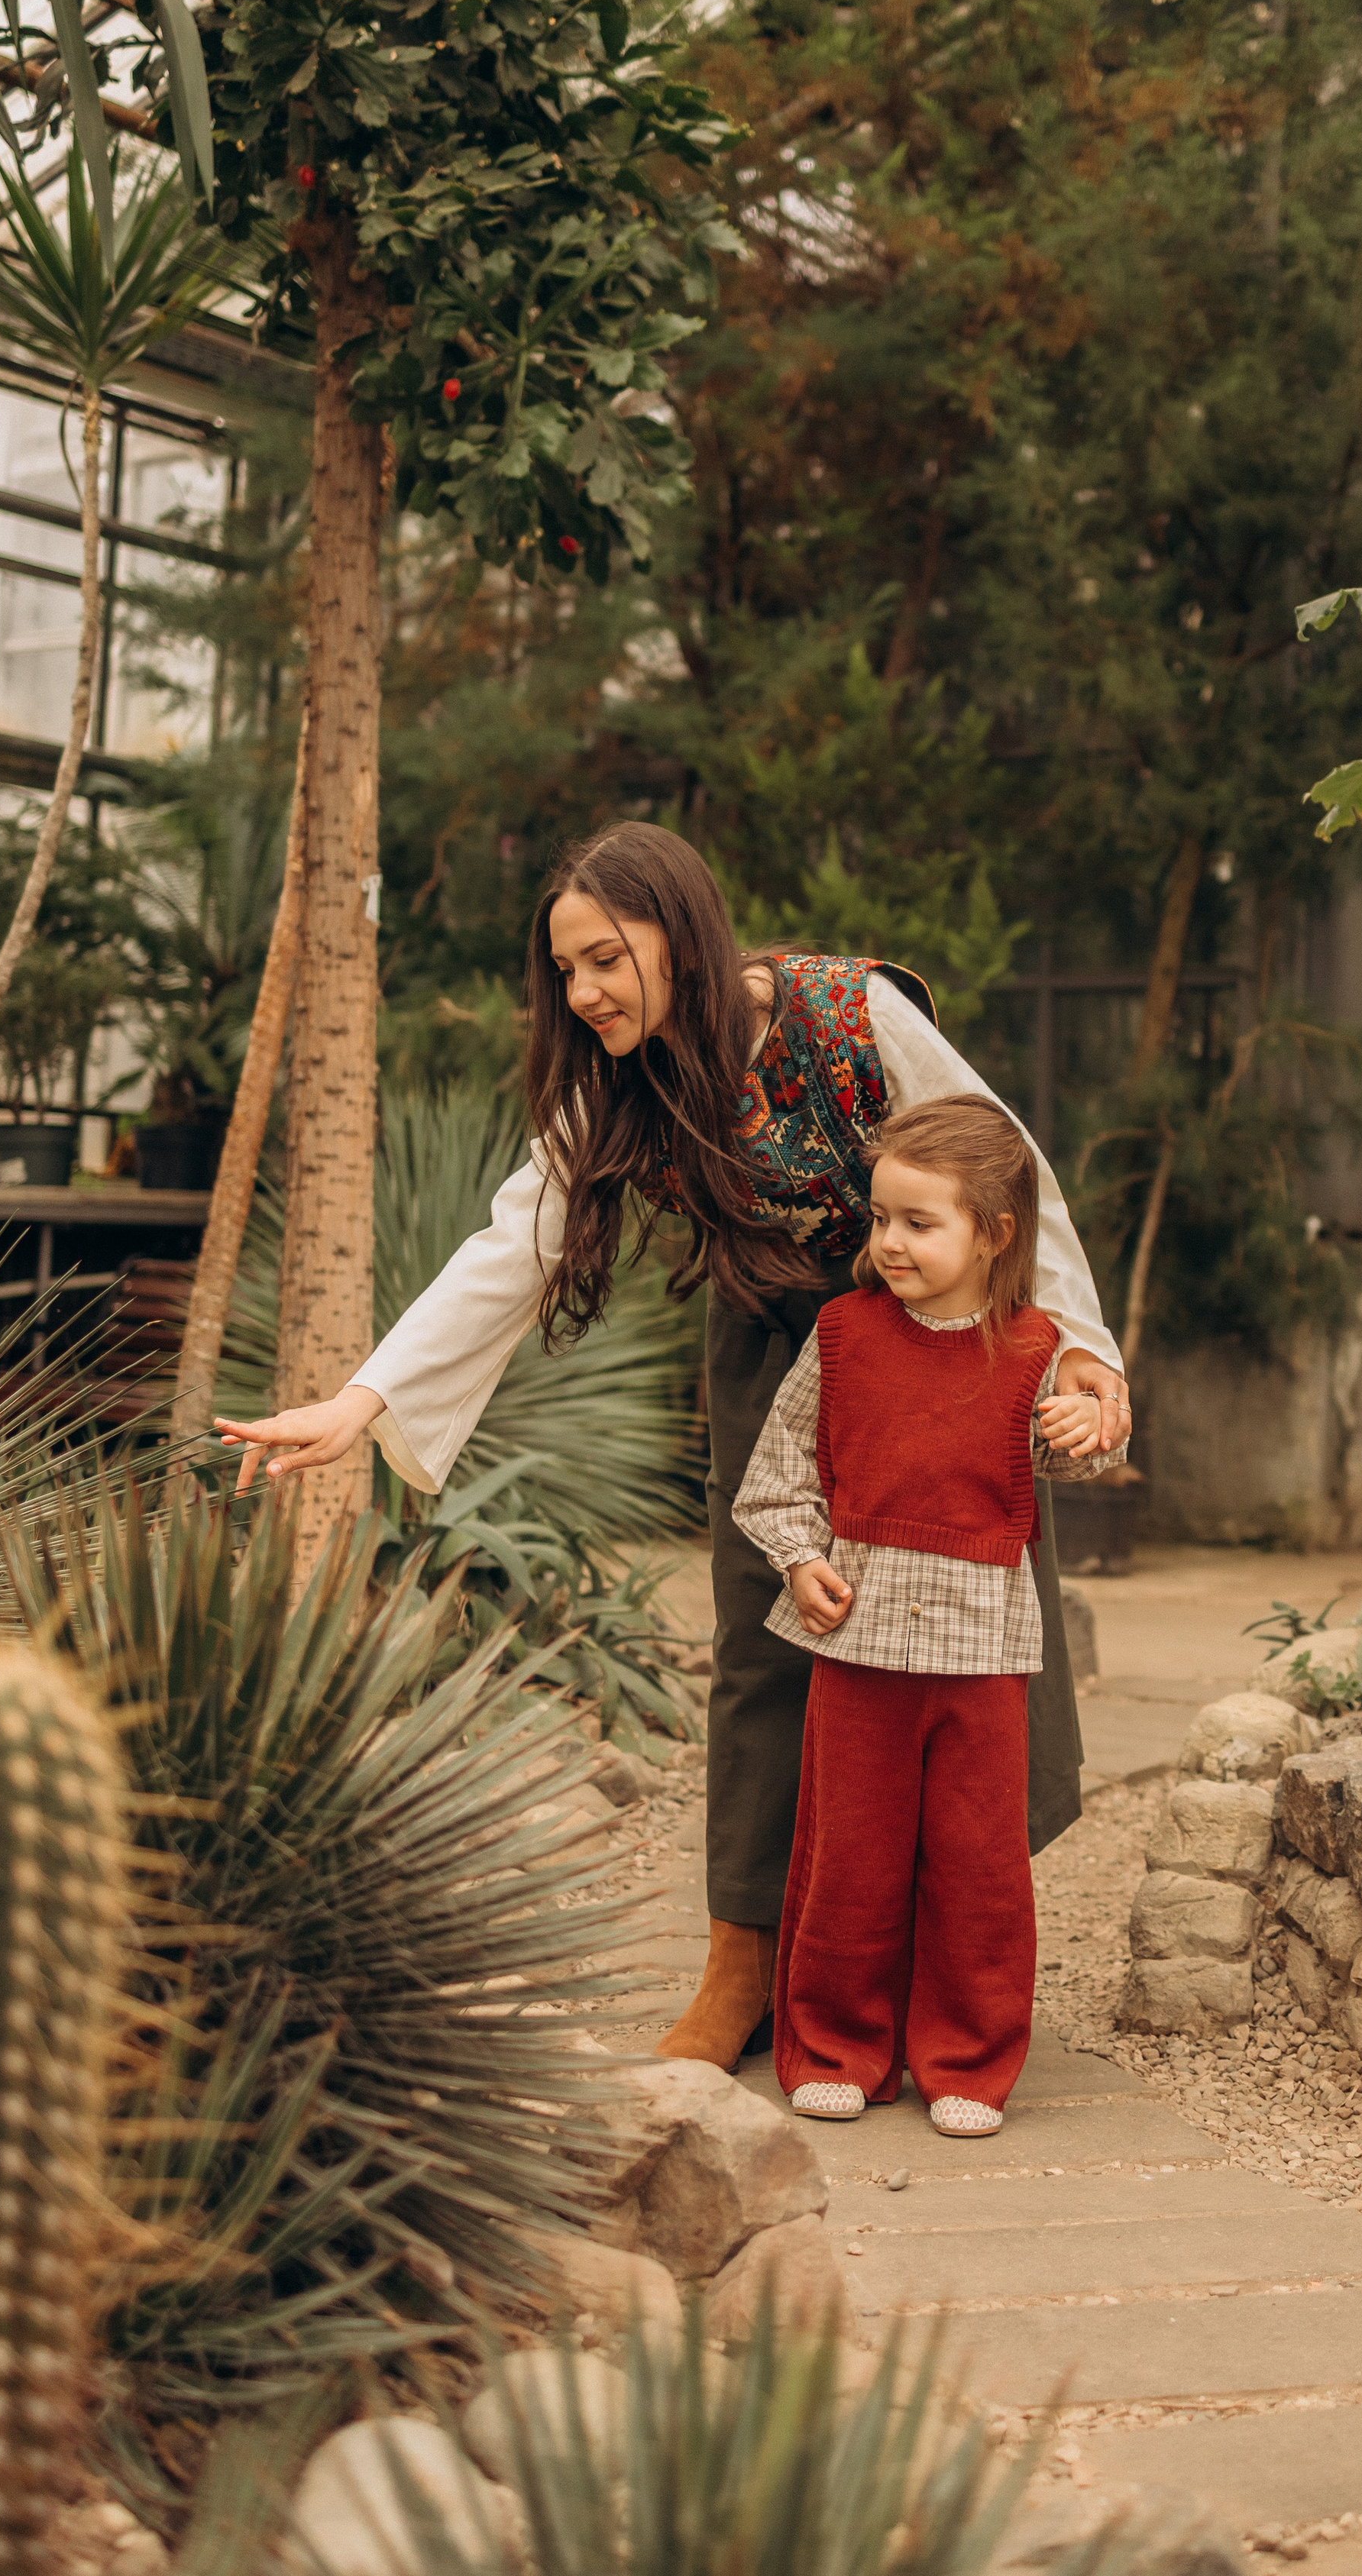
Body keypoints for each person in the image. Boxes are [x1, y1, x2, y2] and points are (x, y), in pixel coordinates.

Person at [214, 821, 1131, 2072]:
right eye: (568, 972)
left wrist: (1079, 1344)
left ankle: (939, 1961)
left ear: (678, 933)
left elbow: (1001, 1155)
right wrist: (363, 1401)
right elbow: (513, 1243)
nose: (584, 992)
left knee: (969, 1627)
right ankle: (744, 1963)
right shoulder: (620, 1081)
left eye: (604, 958)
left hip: (934, 1333)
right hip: (770, 1350)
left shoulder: (846, 1010)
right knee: (767, 1645)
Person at [734, 1095, 1126, 2138]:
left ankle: (966, 2055)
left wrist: (1089, 1418)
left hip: (982, 1657)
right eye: (881, 1219)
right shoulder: (844, 1335)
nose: (890, 1242)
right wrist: (802, 1559)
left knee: (976, 1864)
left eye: (920, 1221)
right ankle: (834, 2045)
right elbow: (774, 1480)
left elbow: (1083, 1449)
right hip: (856, 1646)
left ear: (994, 1234)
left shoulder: (1039, 1350)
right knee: (847, 1854)